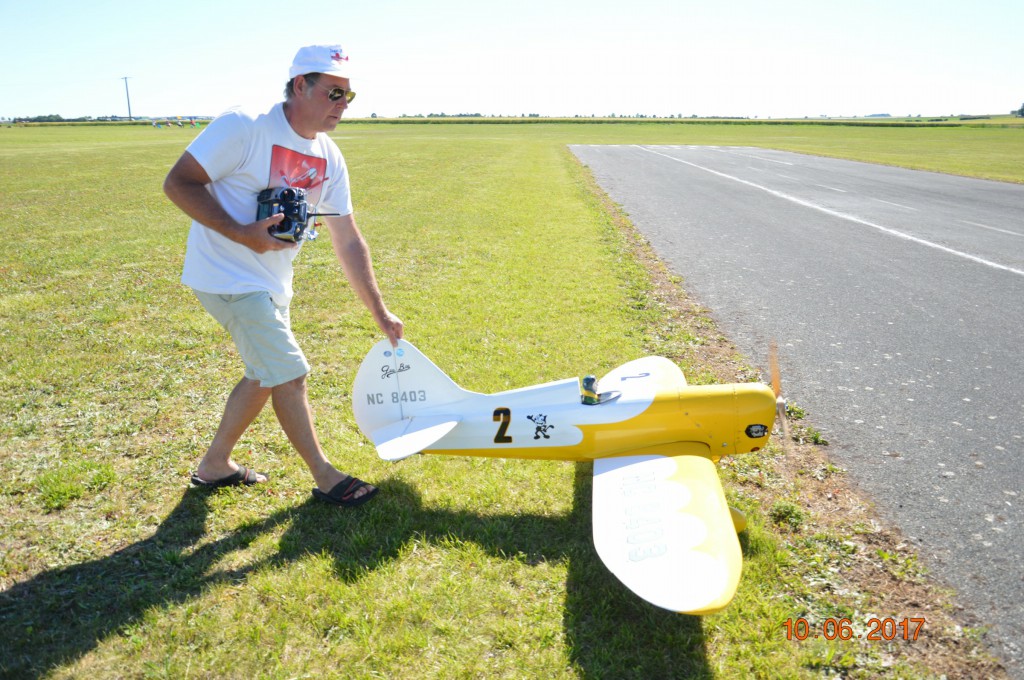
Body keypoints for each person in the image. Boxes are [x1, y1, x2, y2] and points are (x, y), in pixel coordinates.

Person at [163, 44, 402, 508]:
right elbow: (178, 182)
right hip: (227, 276)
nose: (343, 105)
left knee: (264, 374)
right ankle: (327, 477)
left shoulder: (329, 155)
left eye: (348, 96)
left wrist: (380, 311)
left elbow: (348, 239)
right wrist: (240, 233)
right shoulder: (245, 125)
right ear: (300, 85)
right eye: (334, 92)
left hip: (272, 281)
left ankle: (215, 465)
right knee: (290, 373)